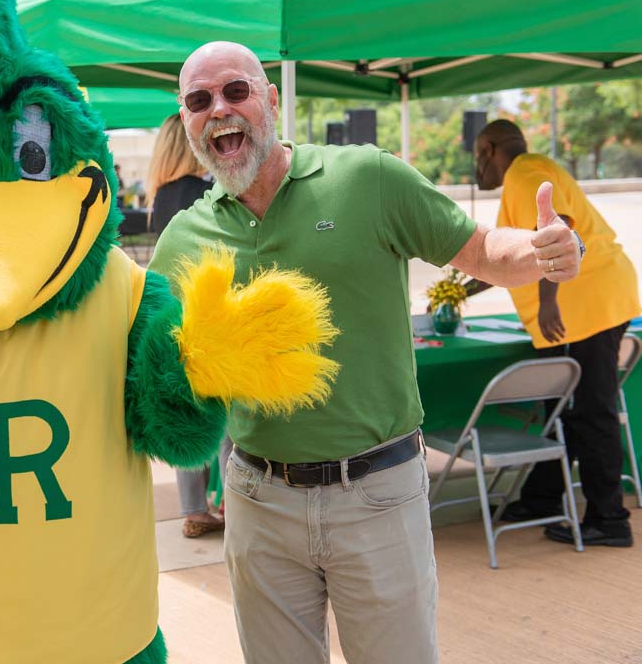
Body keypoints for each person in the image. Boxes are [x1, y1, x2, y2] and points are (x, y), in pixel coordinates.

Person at [148, 41, 582, 664]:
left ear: (271, 100)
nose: (219, 109)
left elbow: (481, 250)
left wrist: (540, 252)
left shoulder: (367, 178)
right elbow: (152, 364)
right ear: (186, 121)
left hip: (376, 493)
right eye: (199, 100)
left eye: (236, 91)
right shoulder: (184, 237)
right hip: (258, 500)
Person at [470, 118, 638, 547]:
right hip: (588, 304)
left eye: (476, 157)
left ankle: (609, 520)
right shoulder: (529, 171)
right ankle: (542, 499)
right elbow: (515, 254)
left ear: (488, 149)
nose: (476, 168)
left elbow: (555, 227)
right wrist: (460, 289)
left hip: (586, 307)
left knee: (591, 411)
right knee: (560, 409)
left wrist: (548, 301)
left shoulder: (524, 172)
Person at [145, 114, 228, 538]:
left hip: (175, 315)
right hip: (208, 312)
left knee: (190, 411)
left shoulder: (160, 196)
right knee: (228, 417)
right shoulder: (203, 193)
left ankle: (194, 508)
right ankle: (232, 500)